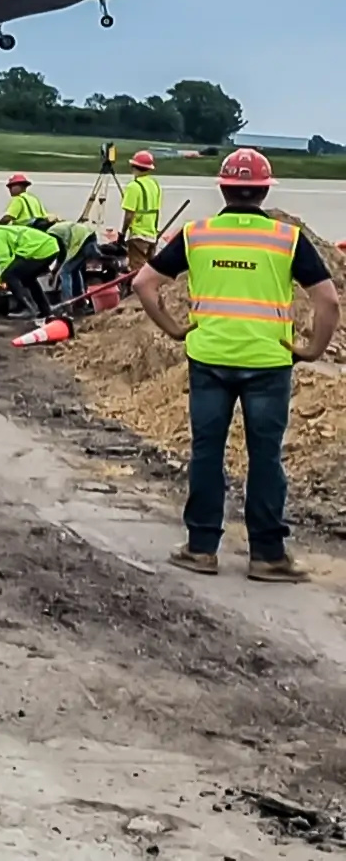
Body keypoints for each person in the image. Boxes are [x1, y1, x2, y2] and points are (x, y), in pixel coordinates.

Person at [136, 149, 338, 582]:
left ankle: (201, 548)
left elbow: (143, 283)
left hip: (209, 358)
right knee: (265, 457)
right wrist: (313, 349)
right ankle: (267, 555)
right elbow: (327, 301)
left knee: (207, 452)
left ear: (223, 187)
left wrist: (174, 328)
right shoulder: (287, 238)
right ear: (265, 190)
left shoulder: (197, 234)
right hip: (268, 363)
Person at [0, 218, 58, 318]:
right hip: (50, 247)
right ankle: (45, 310)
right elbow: (12, 257)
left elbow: (4, 260)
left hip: (39, 250)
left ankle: (27, 308)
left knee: (10, 275)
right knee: (28, 279)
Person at [120, 150, 164, 270]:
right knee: (149, 271)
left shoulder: (133, 187)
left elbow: (129, 215)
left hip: (138, 235)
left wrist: (122, 233)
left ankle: (135, 289)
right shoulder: (155, 184)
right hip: (152, 234)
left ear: (133, 166)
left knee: (137, 271)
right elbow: (156, 210)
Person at [45, 218, 104, 306]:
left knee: (65, 272)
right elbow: (63, 254)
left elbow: (62, 253)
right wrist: (55, 270)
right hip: (90, 237)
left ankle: (67, 303)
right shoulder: (59, 228)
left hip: (81, 241)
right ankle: (80, 300)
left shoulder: (51, 233)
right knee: (75, 270)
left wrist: (56, 271)